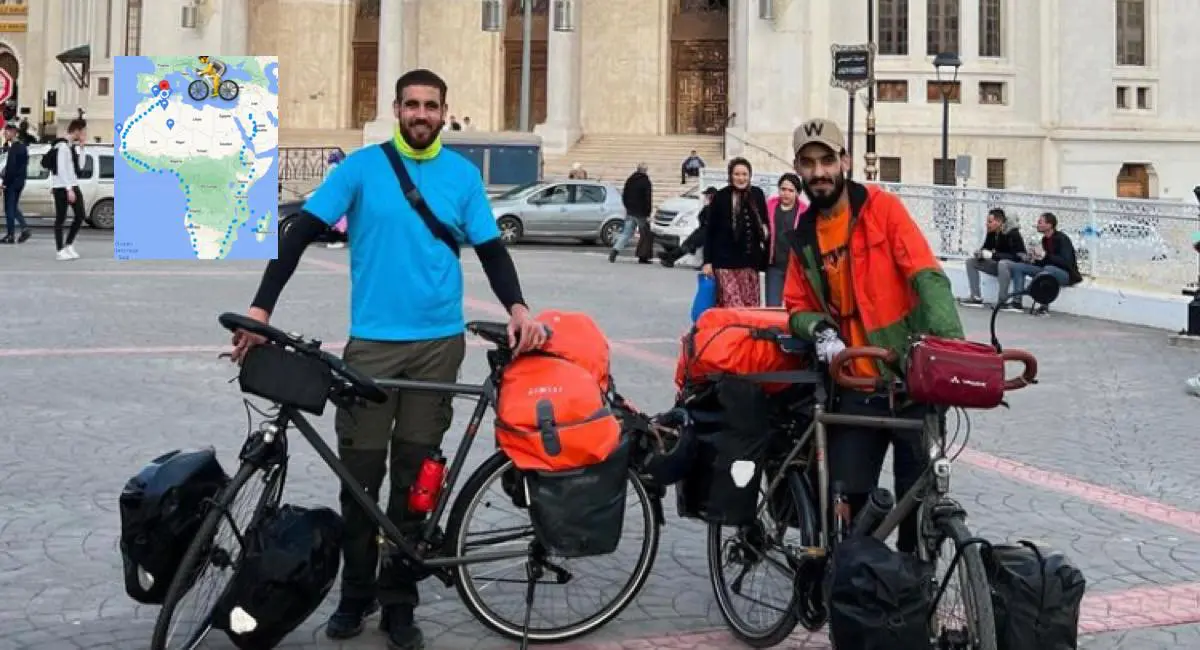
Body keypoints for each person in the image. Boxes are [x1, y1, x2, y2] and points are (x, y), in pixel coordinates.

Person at [228, 68, 548, 650]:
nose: (421, 114)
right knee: (360, 478)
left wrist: (519, 307)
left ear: (444, 111)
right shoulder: (360, 168)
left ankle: (399, 600)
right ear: (396, 109)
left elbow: (493, 251)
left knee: (415, 479)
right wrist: (261, 309)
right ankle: (355, 595)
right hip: (371, 347)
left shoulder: (461, 176)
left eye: (431, 105)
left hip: (438, 347)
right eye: (412, 105)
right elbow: (299, 233)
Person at [782, 118, 964, 554]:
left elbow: (926, 274)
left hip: (908, 383)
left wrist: (952, 352)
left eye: (828, 159)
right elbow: (795, 306)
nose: (819, 171)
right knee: (849, 507)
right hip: (854, 387)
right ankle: (852, 592)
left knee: (917, 510)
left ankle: (916, 602)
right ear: (798, 169)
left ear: (845, 161)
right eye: (809, 163)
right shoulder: (803, 237)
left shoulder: (882, 208)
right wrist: (820, 331)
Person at [701, 157, 768, 307]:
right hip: (725, 263)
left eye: (744, 174)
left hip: (750, 263)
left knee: (750, 307)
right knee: (732, 306)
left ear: (750, 176)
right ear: (730, 176)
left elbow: (764, 224)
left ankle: (748, 332)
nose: (741, 178)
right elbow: (710, 230)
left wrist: (765, 257)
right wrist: (707, 262)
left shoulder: (757, 194)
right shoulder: (721, 196)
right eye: (737, 174)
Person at [996, 211, 1082, 314]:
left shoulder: (1062, 239)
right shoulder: (1045, 239)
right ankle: (1017, 302)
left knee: (1048, 270)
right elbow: (1045, 261)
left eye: (1040, 222)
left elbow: (1066, 262)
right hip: (1047, 269)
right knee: (1019, 267)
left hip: (1066, 275)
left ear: (1049, 225)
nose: (1037, 225)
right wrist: (1033, 259)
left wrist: (1045, 255)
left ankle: (1043, 306)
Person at [958, 207, 1026, 307]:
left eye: (990, 222)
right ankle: (975, 296)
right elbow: (986, 248)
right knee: (971, 262)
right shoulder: (992, 233)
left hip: (1012, 268)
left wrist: (992, 255)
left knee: (1003, 264)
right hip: (998, 265)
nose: (987, 224)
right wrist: (980, 254)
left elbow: (1016, 257)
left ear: (999, 222)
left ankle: (1002, 301)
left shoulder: (1013, 233)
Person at [764, 173, 806, 306]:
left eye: (791, 190)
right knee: (773, 306)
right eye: (783, 189)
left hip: (795, 268)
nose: (786, 193)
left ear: (797, 193)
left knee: (794, 306)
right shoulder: (769, 206)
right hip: (774, 266)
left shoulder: (805, 211)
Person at [50, 119, 88, 261]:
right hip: (62, 187)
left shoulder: (72, 147)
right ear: (77, 131)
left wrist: (83, 147)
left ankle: (68, 244)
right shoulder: (62, 146)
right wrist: (68, 189)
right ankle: (60, 250)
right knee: (61, 218)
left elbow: (81, 167)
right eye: (83, 131)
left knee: (80, 215)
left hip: (72, 184)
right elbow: (61, 169)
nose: (84, 134)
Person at [660, 186, 717, 268]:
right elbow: (701, 217)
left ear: (711, 196)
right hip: (703, 230)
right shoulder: (709, 206)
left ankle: (670, 258)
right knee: (689, 243)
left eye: (707, 195)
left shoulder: (714, 206)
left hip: (708, 231)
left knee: (691, 245)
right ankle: (670, 256)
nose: (705, 197)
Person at [610, 163, 653, 263]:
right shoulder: (645, 181)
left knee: (626, 233)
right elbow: (648, 199)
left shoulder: (630, 180)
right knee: (645, 235)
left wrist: (627, 206)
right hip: (641, 212)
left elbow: (624, 194)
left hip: (630, 211)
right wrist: (648, 213)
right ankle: (643, 257)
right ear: (645, 170)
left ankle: (614, 252)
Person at [1, 122, 31, 244]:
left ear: (13, 132)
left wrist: (5, 183)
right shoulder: (22, 146)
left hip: (12, 182)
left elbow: (11, 168)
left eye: (6, 131)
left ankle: (10, 235)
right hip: (20, 181)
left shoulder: (15, 148)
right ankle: (24, 228)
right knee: (13, 207)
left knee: (9, 209)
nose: (4, 133)